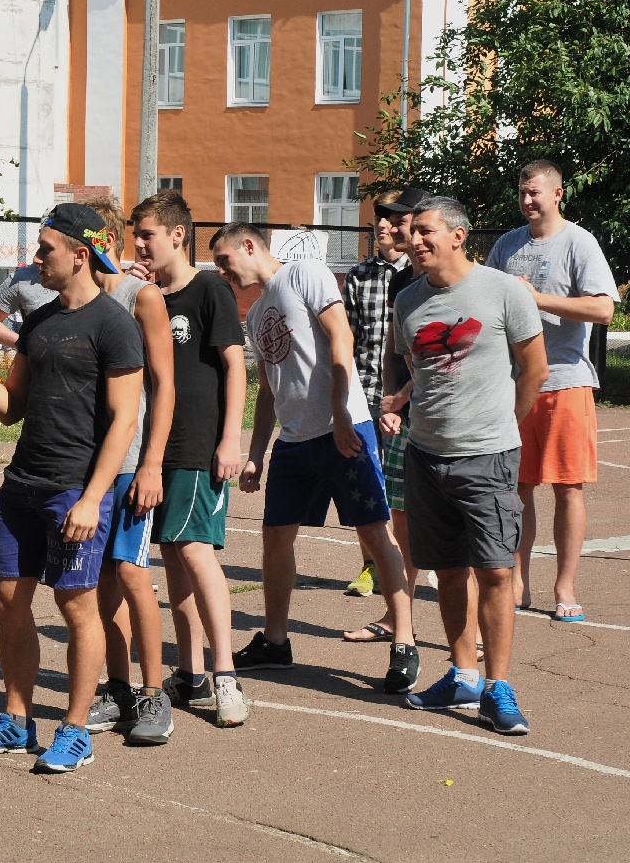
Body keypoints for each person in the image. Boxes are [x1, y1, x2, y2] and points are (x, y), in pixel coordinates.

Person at [0, 202, 144, 773]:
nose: (36, 259)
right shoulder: (38, 322)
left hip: (74, 489)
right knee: (7, 597)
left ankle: (76, 730)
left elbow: (124, 421)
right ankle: (16, 721)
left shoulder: (115, 325)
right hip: (22, 483)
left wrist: (92, 498)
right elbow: (12, 408)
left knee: (75, 605)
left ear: (80, 255)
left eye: (45, 250)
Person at [212, 223, 418, 696]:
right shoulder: (255, 313)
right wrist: (256, 455)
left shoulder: (305, 273)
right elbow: (269, 389)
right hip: (294, 440)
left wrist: (341, 411)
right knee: (275, 539)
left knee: (374, 532)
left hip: (343, 429)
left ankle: (404, 641)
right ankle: (275, 641)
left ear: (249, 245)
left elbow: (341, 337)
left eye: (224, 260)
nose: (223, 271)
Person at [388, 197, 548, 735]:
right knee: (447, 569)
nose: (415, 240)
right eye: (412, 232)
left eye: (426, 231)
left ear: (459, 235)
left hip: (488, 456)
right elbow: (413, 366)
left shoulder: (502, 290)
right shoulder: (408, 299)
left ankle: (498, 688)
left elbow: (535, 369)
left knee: (497, 571)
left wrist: (504, 426)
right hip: (425, 456)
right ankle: (463, 675)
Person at [129, 192, 253, 726]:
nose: (139, 244)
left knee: (196, 550)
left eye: (148, 235)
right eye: (135, 235)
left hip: (200, 445)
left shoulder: (209, 289)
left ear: (178, 235)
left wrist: (231, 439)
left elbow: (235, 366)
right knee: (173, 557)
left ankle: (226, 675)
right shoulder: (147, 297)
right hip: (157, 447)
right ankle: (192, 672)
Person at [485, 160, 620, 622]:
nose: (527, 201)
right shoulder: (507, 245)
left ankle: (565, 587)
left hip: (566, 381)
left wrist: (537, 299)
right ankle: (517, 580)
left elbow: (603, 309)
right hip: (514, 384)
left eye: (535, 193)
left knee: (568, 487)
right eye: (522, 192)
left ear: (558, 194)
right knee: (515, 487)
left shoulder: (579, 242)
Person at [78, 195, 177, 743]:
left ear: (101, 243)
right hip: (87, 460)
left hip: (132, 460)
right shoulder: (74, 301)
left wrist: (152, 463)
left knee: (133, 573)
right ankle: (117, 689)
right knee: (100, 581)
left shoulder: (142, 297)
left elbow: (165, 386)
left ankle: (153, 693)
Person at [342, 188, 427, 642]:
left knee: (455, 520)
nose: (386, 226)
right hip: (391, 408)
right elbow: (390, 351)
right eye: (383, 218)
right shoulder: (394, 282)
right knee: (396, 513)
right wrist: (391, 398)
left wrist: (403, 394)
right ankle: (397, 615)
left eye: (398, 219)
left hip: (449, 418)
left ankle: (474, 630)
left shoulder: (466, 280)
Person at [0, 262, 56, 351]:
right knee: (8, 350)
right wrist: (25, 345)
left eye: (47, 251)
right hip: (14, 322)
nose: (36, 259)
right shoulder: (20, 279)